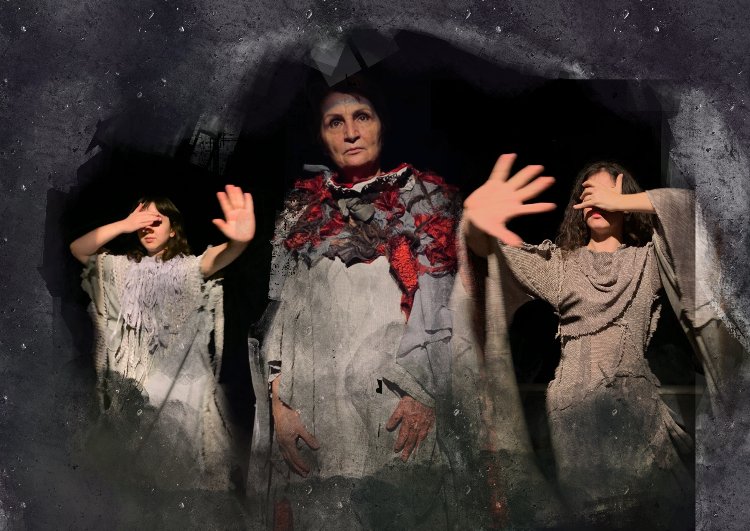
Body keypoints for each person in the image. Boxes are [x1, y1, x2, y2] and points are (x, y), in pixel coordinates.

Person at [248, 78, 460, 529]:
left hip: (393, 397)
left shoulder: (425, 197)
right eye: (335, 122)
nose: (350, 132)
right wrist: (278, 404)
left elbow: (445, 305)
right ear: (320, 135)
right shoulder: (301, 207)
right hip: (313, 402)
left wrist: (425, 395)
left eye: (362, 116)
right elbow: (278, 310)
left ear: (382, 123)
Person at [460, 154, 696, 528]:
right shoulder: (561, 267)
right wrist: (473, 221)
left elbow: (694, 214)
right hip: (575, 417)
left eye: (607, 194)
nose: (597, 201)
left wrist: (625, 200)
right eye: (589, 194)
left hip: (635, 413)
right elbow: (486, 249)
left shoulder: (648, 261)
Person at [70, 185, 255, 491]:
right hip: (141, 390)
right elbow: (79, 249)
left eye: (156, 220)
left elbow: (223, 255)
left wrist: (240, 241)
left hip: (185, 390)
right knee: (140, 483)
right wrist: (125, 224)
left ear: (173, 229)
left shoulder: (190, 267)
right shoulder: (123, 268)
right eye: (142, 221)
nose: (148, 227)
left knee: (185, 481)